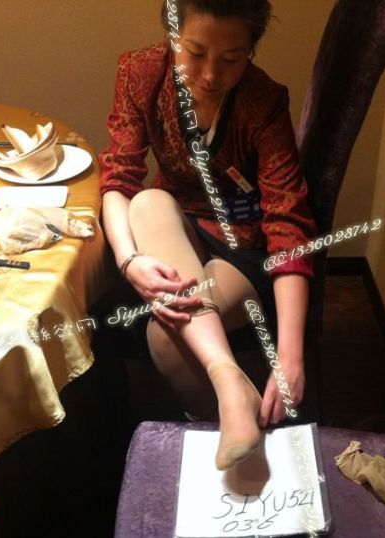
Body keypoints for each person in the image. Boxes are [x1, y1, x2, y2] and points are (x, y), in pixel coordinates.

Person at [99, 0, 316, 470]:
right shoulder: (141, 74)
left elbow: (287, 224)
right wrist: (128, 260)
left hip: (244, 245)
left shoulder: (263, 102)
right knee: (148, 202)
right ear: (171, 36)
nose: (211, 75)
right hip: (174, 228)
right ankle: (230, 388)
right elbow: (119, 178)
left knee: (164, 339)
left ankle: (221, 412)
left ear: (251, 50)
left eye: (232, 58)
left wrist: (290, 357)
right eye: (195, 52)